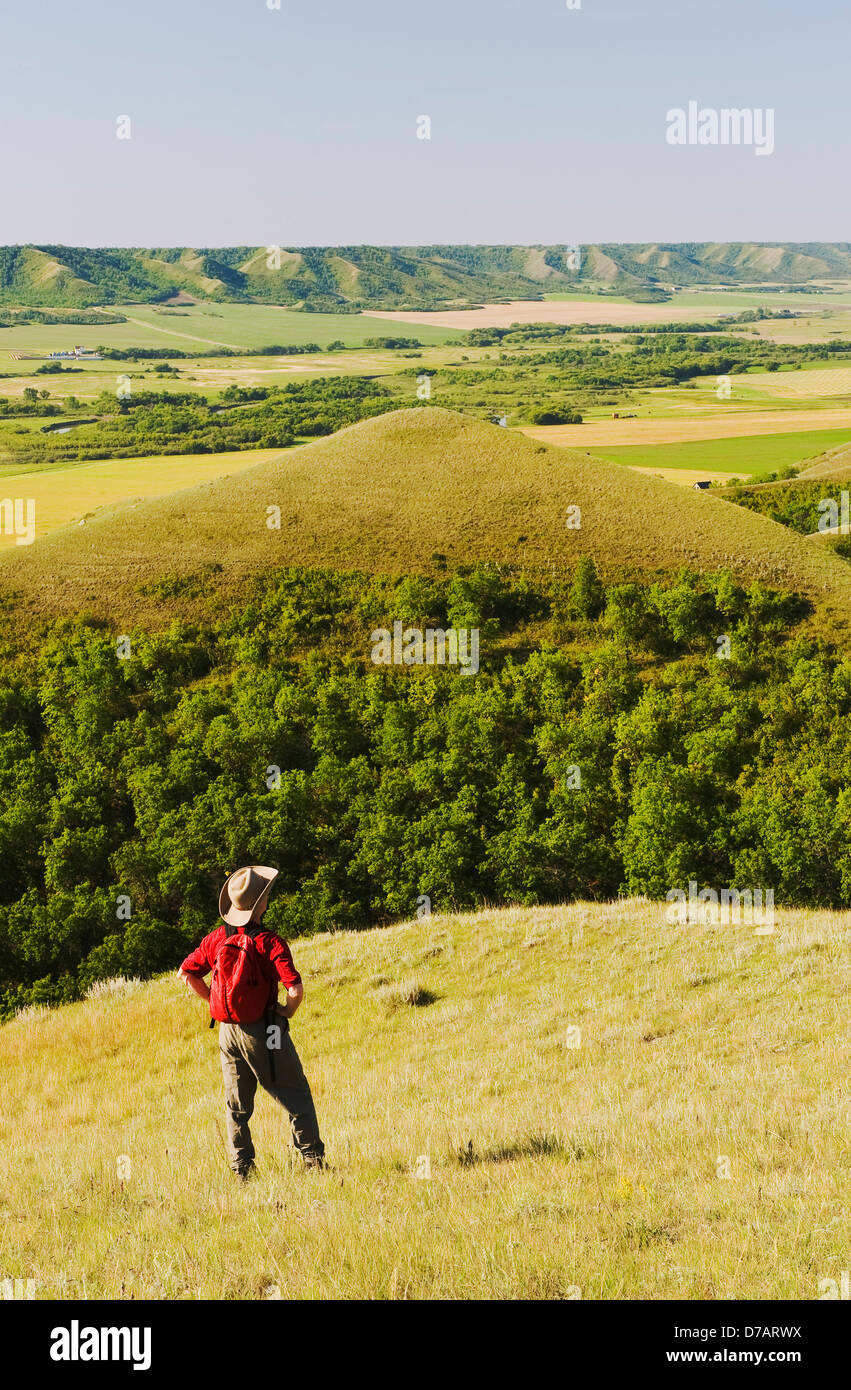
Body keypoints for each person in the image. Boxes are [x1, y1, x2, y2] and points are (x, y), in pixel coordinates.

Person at [177, 865, 325, 1179]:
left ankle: (242, 1171)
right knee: (295, 1094)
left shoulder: (218, 937)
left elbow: (187, 972)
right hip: (265, 1030)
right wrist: (288, 1011)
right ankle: (313, 1163)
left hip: (227, 1032)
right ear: (262, 904)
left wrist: (213, 1001)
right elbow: (295, 988)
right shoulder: (269, 942)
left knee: (237, 1105)